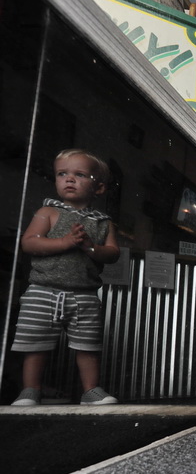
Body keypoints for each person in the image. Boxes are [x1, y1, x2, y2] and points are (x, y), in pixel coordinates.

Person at [11, 149, 121, 406]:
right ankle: (30, 390)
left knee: (87, 346)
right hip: (43, 289)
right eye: (62, 174)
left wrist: (90, 248)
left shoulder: (104, 222)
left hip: (83, 294)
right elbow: (28, 243)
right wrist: (66, 241)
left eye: (80, 175)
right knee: (35, 344)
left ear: (99, 188)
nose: (69, 179)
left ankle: (91, 391)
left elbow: (113, 253)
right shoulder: (47, 212)